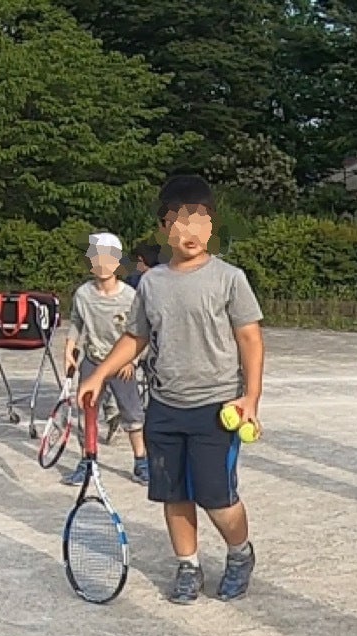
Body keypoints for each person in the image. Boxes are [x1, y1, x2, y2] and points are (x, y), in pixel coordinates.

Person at [80, 175, 265, 605]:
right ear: (164, 229)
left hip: (217, 408)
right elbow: (136, 337)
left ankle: (240, 554)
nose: (190, 232)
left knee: (217, 499)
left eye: (199, 221)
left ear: (212, 225)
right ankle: (188, 565)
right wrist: (99, 374)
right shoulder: (152, 283)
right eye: (179, 223)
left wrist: (251, 397)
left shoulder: (229, 278)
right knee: (174, 494)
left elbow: (250, 339)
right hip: (164, 407)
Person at [63, 232, 148, 485]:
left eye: (109, 257)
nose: (102, 263)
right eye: (97, 257)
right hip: (92, 360)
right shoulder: (83, 295)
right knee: (86, 412)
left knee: (132, 414)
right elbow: (76, 323)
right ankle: (87, 461)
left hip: (121, 365)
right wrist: (69, 349)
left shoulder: (130, 296)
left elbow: (142, 332)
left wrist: (132, 361)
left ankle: (141, 462)